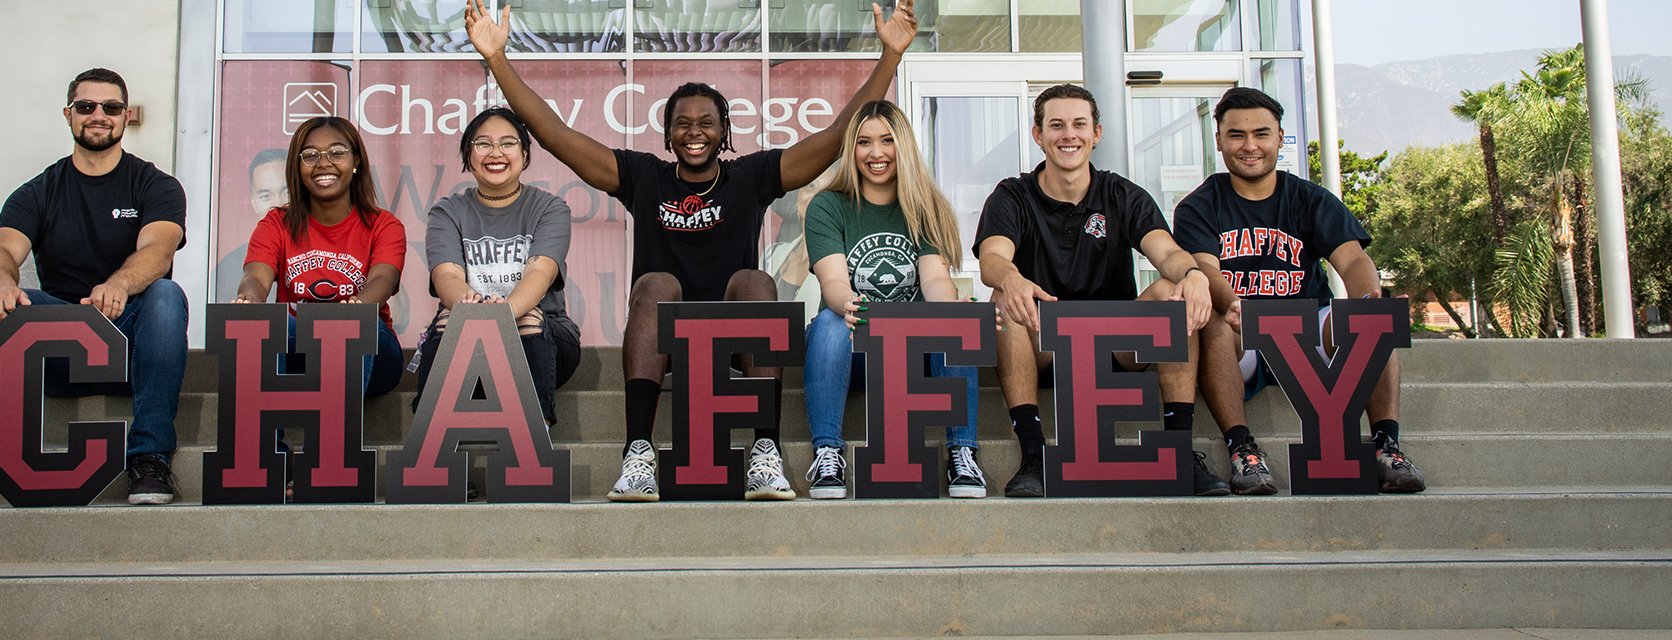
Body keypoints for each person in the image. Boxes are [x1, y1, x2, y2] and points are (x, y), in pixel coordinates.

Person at [464, 0, 918, 501]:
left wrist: (890, 56)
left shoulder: (751, 177)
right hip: (664, 340)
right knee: (656, 284)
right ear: (667, 133)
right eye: (683, 123)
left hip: (733, 339)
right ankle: (638, 454)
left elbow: (836, 138)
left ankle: (764, 454)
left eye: (706, 122)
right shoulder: (643, 177)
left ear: (724, 132)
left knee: (757, 282)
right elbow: (555, 135)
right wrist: (498, 60)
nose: (694, 132)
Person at [0, 68, 189, 508]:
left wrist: (118, 284)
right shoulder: (38, 191)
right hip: (59, 346)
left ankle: (149, 458)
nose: (99, 115)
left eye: (111, 107)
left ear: (126, 116)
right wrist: (1, 284)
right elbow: (1, 251)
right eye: (86, 106)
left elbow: (160, 248)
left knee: (167, 296)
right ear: (68, 114)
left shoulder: (155, 185)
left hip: (131, 342)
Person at [1173, 87, 1426, 494]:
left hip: (1309, 331)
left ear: (1280, 137)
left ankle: (1386, 446)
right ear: (1219, 141)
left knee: (1370, 316)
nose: (1250, 145)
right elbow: (1204, 269)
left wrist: (1368, 297)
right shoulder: (1199, 205)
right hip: (1244, 334)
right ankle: (1243, 451)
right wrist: (1234, 304)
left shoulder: (1310, 199)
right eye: (1236, 135)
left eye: (1261, 133)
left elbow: (1353, 260)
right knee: (1212, 324)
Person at [976, 84, 1222, 499]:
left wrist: (1194, 273)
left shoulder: (1121, 194)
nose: (1068, 135)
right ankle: (1034, 455)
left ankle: (1180, 448)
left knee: (1171, 290)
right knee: (1003, 297)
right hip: (1045, 343)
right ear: (1038, 135)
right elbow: (992, 259)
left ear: (1097, 133)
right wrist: (1011, 277)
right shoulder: (1012, 195)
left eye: (1079, 125)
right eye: (1056, 125)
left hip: (1115, 345)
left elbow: (1167, 252)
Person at [802, 100, 987, 499]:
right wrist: (849, 303)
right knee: (830, 322)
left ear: (903, 146)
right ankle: (827, 453)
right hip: (852, 349)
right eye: (864, 142)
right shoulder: (828, 206)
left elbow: (935, 277)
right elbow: (832, 279)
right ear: (851, 149)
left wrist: (953, 313)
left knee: (952, 324)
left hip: (910, 354)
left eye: (887, 141)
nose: (876, 153)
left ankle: (962, 451)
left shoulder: (925, 206)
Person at [413, 106, 581, 427]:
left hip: (546, 339)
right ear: (467, 153)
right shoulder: (447, 211)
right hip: (469, 341)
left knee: (528, 316)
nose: (495, 153)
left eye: (508, 143)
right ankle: (432, 451)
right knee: (451, 317)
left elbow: (539, 272)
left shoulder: (549, 208)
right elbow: (446, 274)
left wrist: (497, 318)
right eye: (482, 144)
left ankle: (535, 441)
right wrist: (476, 315)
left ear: (525, 153)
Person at [233, 116, 405, 399]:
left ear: (356, 161)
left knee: (350, 326)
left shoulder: (383, 225)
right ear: (297, 167)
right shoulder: (276, 223)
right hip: (299, 346)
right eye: (310, 156)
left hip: (372, 352)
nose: (323, 163)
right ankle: (269, 444)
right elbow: (255, 276)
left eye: (337, 153)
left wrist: (356, 310)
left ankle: (335, 441)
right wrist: (249, 300)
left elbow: (383, 279)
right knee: (261, 323)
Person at [215, 149, 290, 303]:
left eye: (286, 193)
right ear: (254, 203)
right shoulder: (225, 268)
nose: (278, 204)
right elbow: (254, 281)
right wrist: (249, 300)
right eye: (265, 196)